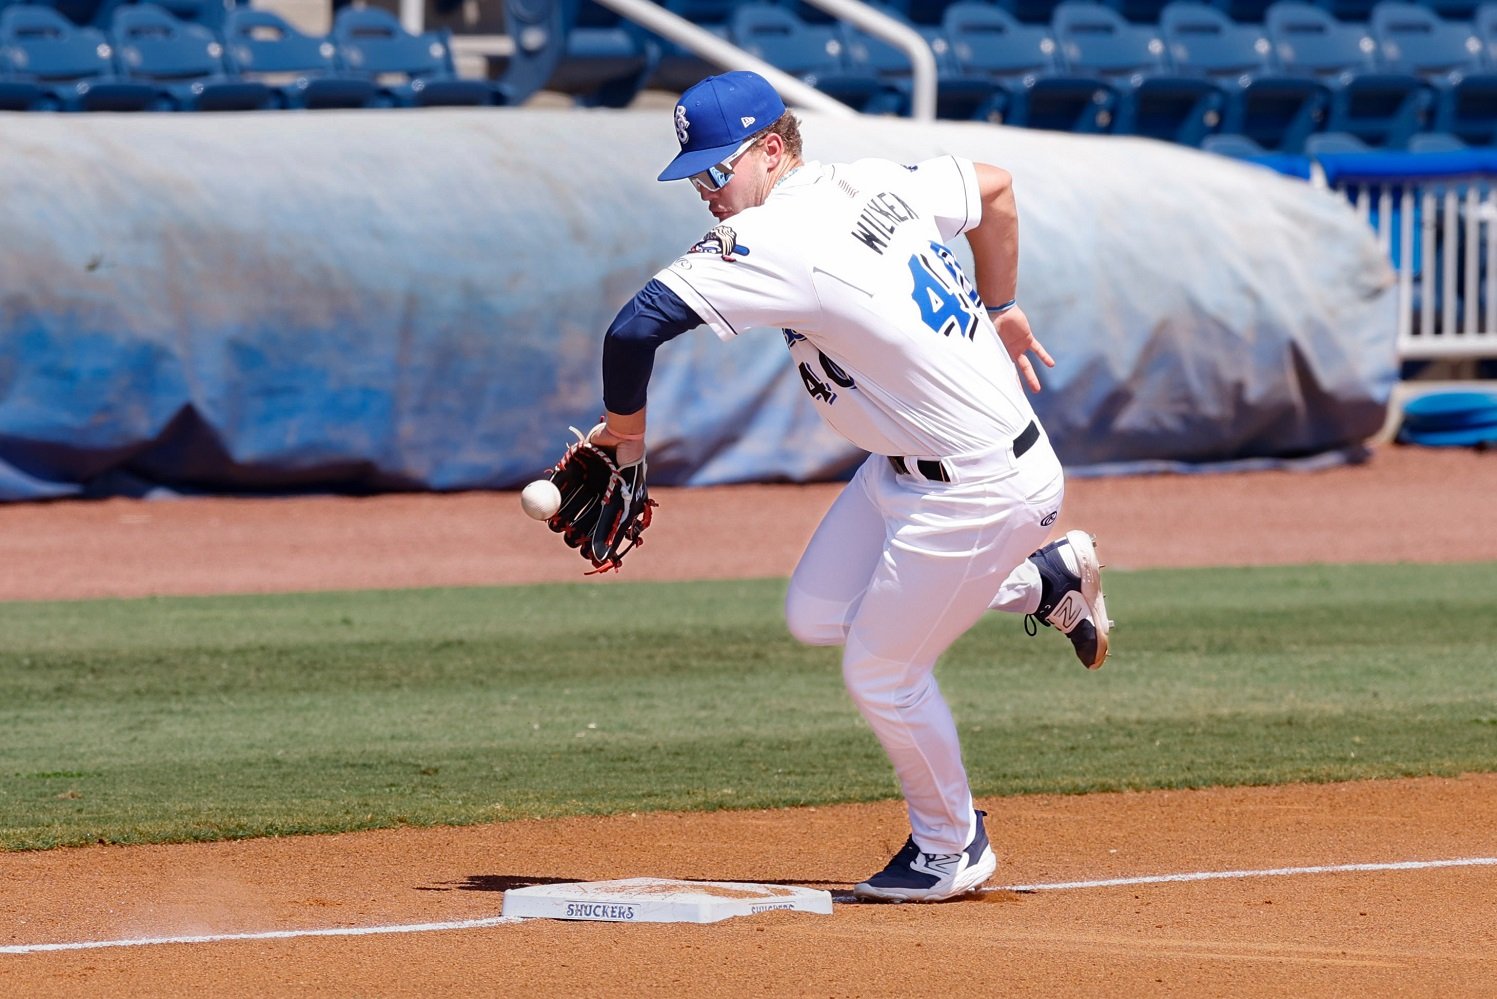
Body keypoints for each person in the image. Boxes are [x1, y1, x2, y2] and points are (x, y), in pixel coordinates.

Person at [586, 71, 1111, 903]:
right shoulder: (869, 177)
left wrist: (624, 440)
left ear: (770, 149)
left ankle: (951, 845)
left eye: (717, 169)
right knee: (817, 615)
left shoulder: (778, 238)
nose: (705, 189)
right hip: (902, 471)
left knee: (882, 670)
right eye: (694, 174)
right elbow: (996, 189)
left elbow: (633, 327)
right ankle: (1042, 580)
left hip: (979, 485)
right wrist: (1001, 301)